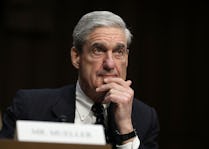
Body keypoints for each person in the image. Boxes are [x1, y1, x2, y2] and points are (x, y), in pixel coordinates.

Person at [0, 11, 159, 149]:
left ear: (127, 58)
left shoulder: (144, 118)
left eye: (119, 52)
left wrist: (126, 128)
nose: (110, 63)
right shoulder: (30, 107)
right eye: (98, 50)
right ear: (76, 57)